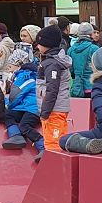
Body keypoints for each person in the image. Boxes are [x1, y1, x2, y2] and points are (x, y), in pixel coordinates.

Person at [33, 25, 71, 153]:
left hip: (54, 110)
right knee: (52, 141)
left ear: (47, 44)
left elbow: (52, 89)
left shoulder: (52, 64)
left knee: (54, 144)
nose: (37, 47)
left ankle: (56, 165)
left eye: (39, 44)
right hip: (53, 109)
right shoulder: (50, 61)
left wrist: (45, 112)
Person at [0, 49, 43, 158]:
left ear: (18, 65)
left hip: (33, 109)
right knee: (8, 115)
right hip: (26, 107)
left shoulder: (23, 76)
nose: (9, 68)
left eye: (10, 65)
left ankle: (42, 146)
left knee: (24, 126)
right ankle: (16, 136)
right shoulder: (30, 75)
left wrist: (6, 103)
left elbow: (15, 96)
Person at [66, 23, 98, 97]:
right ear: (91, 34)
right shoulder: (94, 49)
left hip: (77, 87)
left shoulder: (71, 50)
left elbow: (70, 70)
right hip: (92, 86)